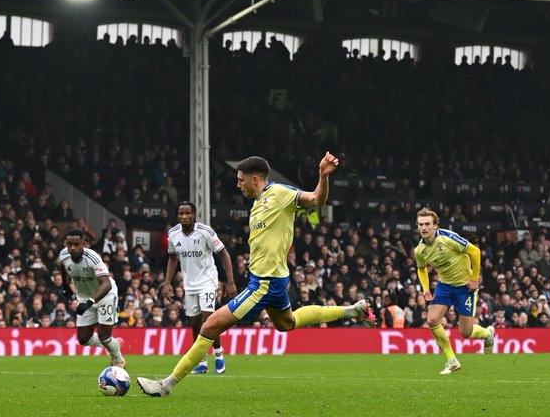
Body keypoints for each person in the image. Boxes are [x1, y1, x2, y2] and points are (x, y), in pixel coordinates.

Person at [137, 153, 378, 397]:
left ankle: (166, 384)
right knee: (287, 323)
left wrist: (323, 176)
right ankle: (353, 310)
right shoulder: (258, 203)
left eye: (241, 180)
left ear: (254, 180)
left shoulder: (280, 194)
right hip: (270, 280)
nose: (237, 185)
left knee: (209, 327)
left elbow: (317, 199)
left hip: (264, 283)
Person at [414, 208, 495, 375]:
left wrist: (474, 277)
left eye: (427, 224)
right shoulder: (419, 250)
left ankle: (487, 333)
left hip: (465, 287)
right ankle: (452, 360)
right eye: (420, 224)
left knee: (466, 332)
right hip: (444, 286)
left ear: (435, 226)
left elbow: (475, 251)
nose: (423, 228)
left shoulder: (448, 238)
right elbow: (421, 268)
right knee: (432, 320)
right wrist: (426, 288)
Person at [161, 201, 237, 375]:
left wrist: (230, 282)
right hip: (189, 284)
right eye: (181, 213)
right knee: (195, 324)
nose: (184, 216)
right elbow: (172, 258)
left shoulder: (205, 232)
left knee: (208, 320)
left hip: (208, 281)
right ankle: (201, 362)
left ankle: (218, 356)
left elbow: (224, 254)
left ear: (194, 214)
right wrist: (167, 283)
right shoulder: (173, 234)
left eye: (188, 213)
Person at [56, 227, 126, 368]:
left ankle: (119, 360)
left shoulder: (92, 258)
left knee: (104, 336)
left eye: (76, 244)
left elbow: (106, 283)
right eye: (69, 244)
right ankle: (115, 344)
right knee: (83, 339)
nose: (73, 248)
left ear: (84, 243)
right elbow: (63, 266)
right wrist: (65, 284)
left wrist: (90, 302)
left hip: (105, 295)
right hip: (84, 297)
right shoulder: (63, 254)